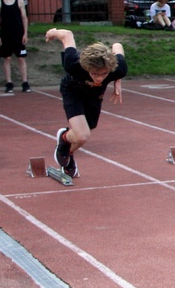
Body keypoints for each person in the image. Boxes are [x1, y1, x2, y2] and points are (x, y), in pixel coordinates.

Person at [46, 28, 127, 177]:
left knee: (89, 127)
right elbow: (67, 35)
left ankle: (67, 145)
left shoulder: (118, 69)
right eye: (95, 73)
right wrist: (53, 33)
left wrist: (117, 81)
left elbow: (117, 45)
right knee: (83, 135)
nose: (99, 78)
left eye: (104, 74)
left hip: (94, 95)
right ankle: (66, 147)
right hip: (72, 91)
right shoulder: (73, 63)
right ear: (86, 68)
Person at [0, 0, 31, 93]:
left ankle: (25, 82)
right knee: (7, 58)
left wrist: (25, 33)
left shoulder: (19, 2)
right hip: (5, 33)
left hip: (18, 33)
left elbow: (24, 18)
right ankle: (9, 82)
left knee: (21, 58)